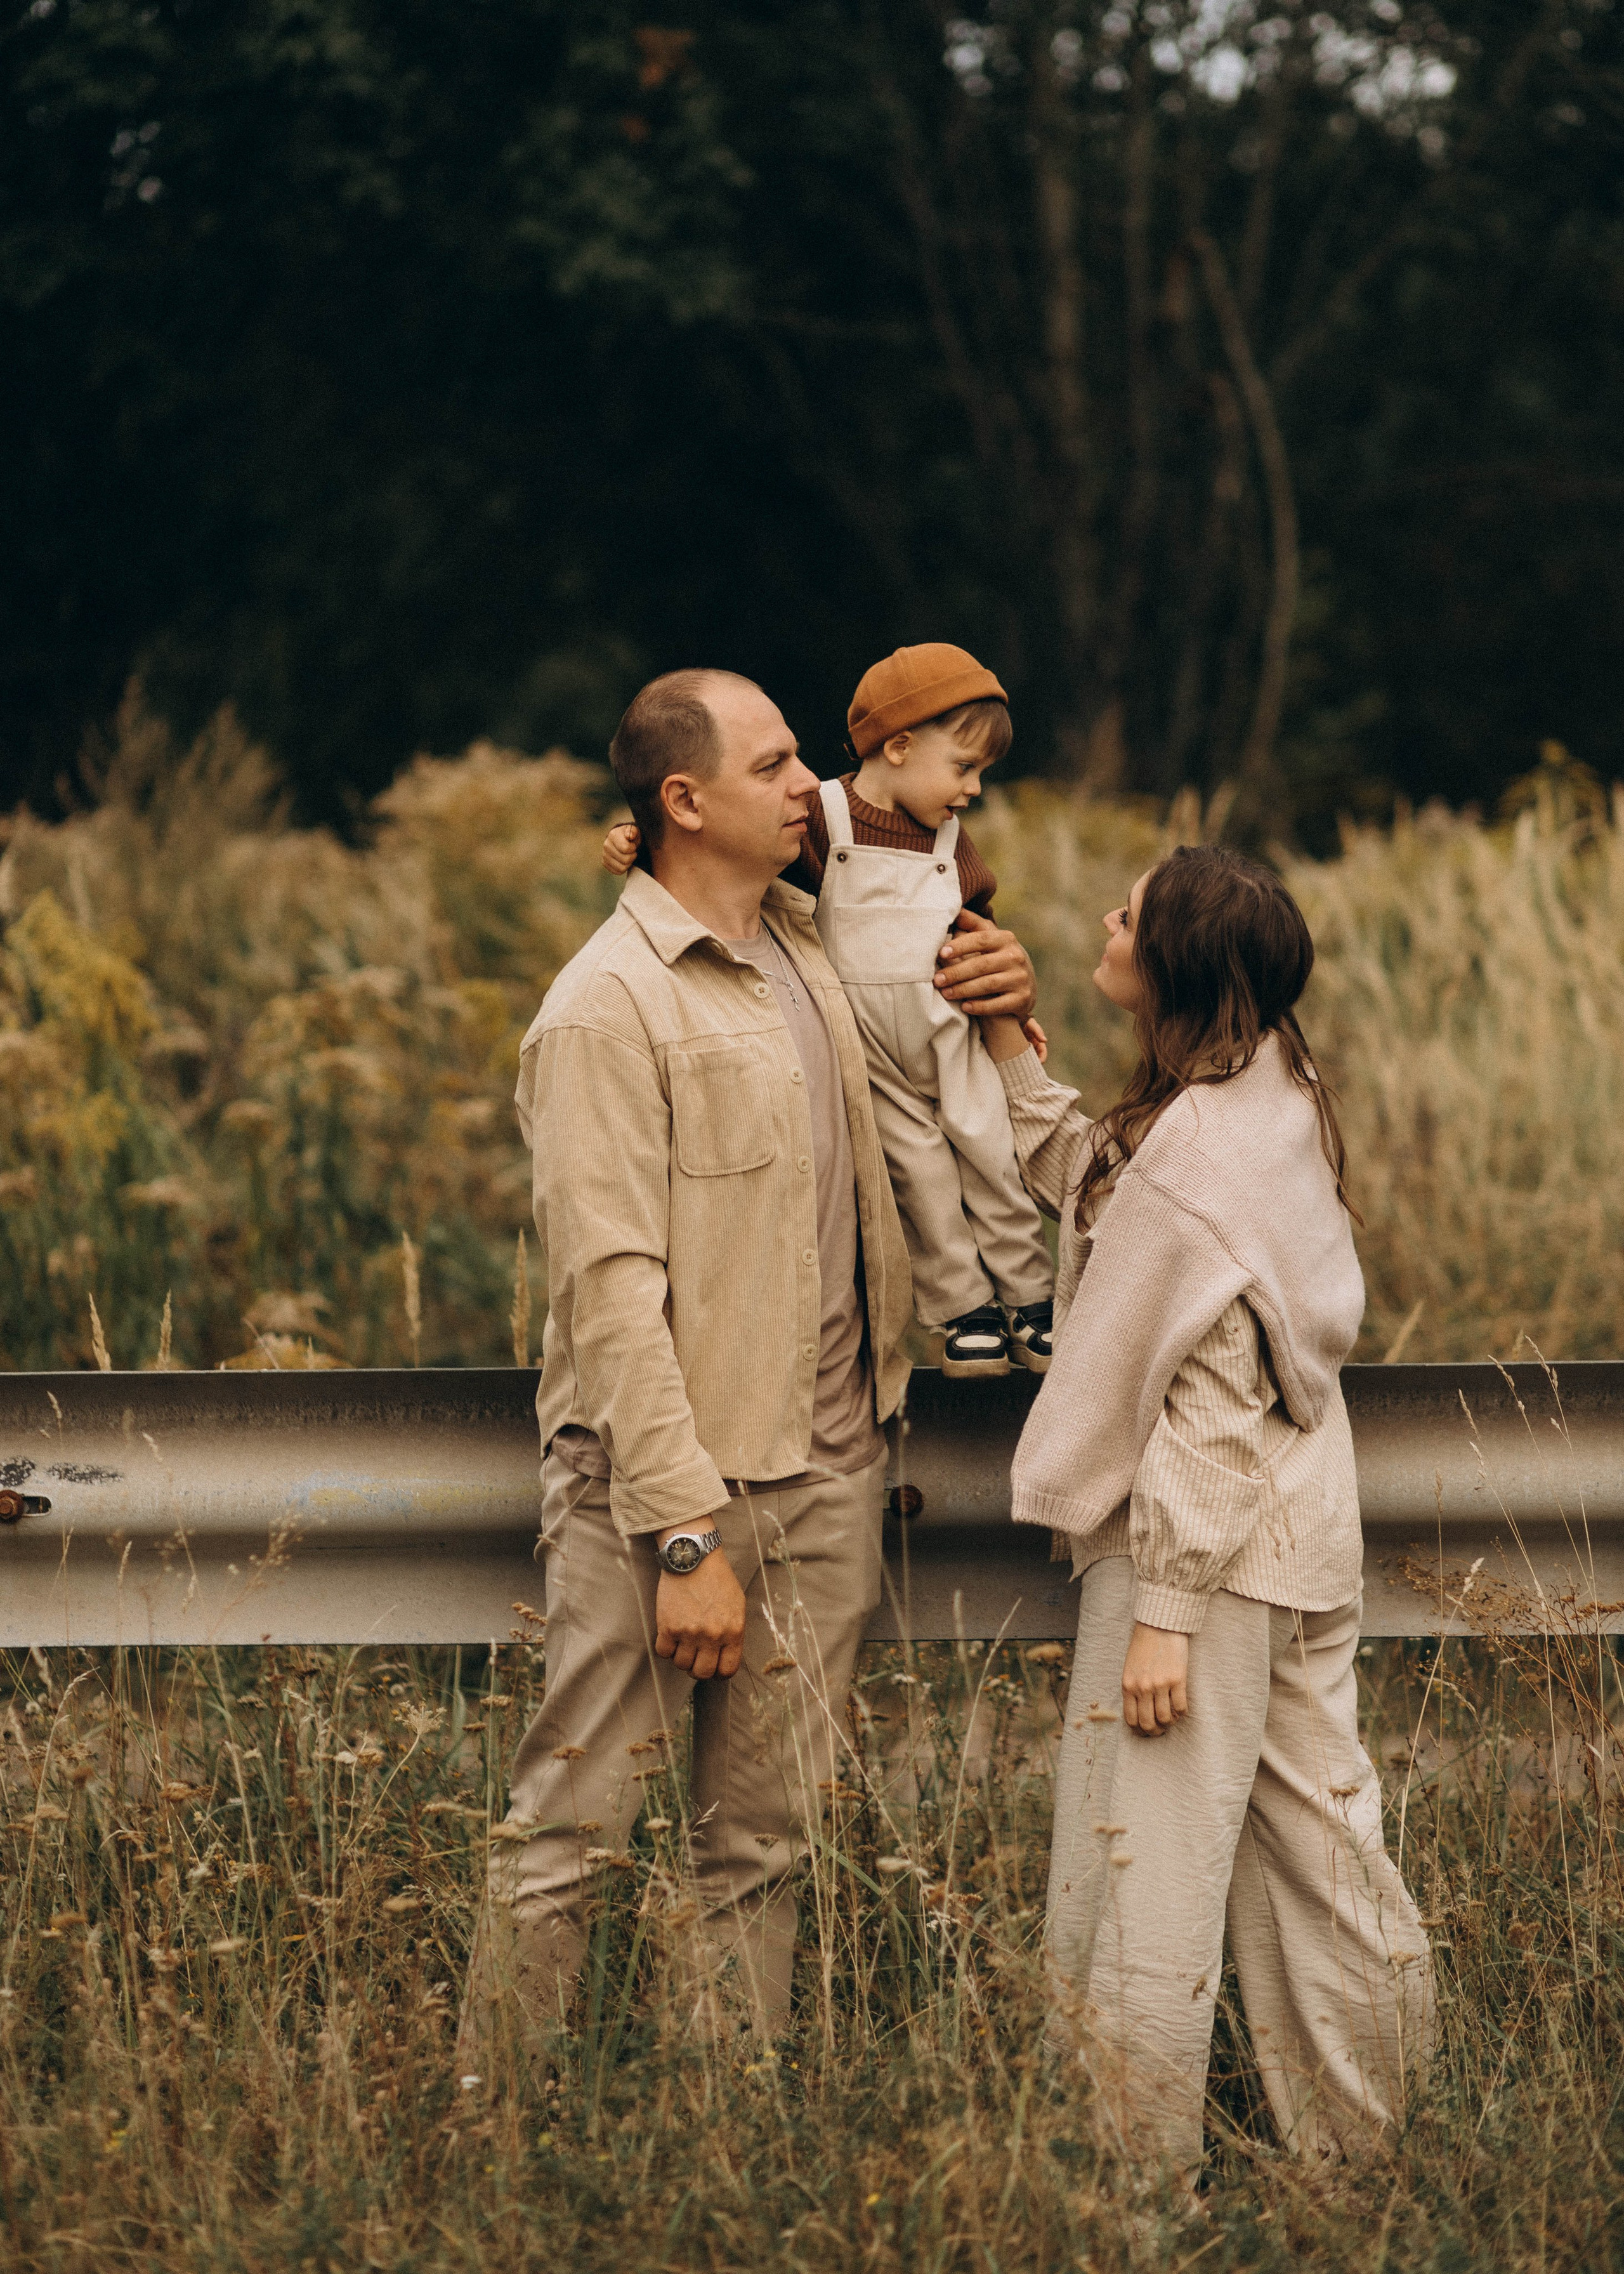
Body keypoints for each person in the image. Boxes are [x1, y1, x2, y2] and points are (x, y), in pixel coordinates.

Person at [461, 666, 1038, 2065]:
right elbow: (608, 1300)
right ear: (682, 800)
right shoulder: (605, 1009)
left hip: (832, 1476)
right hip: (672, 1502)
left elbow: (934, 1064)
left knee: (762, 1853)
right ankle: (486, 2151)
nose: (808, 786)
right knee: (571, 1836)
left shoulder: (812, 943)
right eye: (777, 765)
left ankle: (721, 2152)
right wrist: (677, 1536)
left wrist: (1005, 995)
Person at [977, 846, 1434, 2193]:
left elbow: (1206, 1407)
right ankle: (1371, 2158)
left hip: (1208, 1558)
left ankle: (1122, 2185)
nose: (1103, 921)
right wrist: (1012, 1054)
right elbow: (1116, 1197)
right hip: (1296, 1539)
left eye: (1126, 913)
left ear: (1169, 965)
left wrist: (1162, 1615)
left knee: (1142, 1879)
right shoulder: (1264, 1090)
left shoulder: (1196, 1154)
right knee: (1318, 1856)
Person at [603, 643, 1056, 1380]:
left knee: (991, 1156)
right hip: (872, 1050)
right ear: (900, 746)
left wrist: (1007, 1002)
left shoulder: (951, 842)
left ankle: (1031, 1300)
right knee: (922, 1179)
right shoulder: (820, 817)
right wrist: (641, 843)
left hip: (946, 1029)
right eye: (964, 768)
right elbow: (707, 841)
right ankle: (965, 1310)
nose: (973, 789)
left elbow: (979, 926)